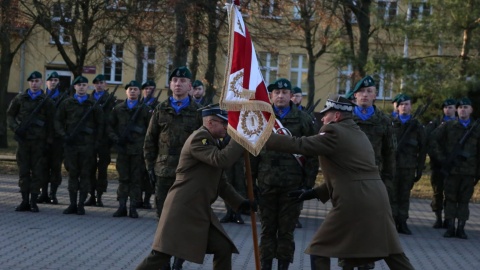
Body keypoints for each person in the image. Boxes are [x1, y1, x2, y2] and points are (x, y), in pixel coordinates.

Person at [266, 95, 415, 270]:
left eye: (326, 114)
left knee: (319, 249)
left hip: (354, 201)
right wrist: (313, 193)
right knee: (392, 253)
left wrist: (262, 137)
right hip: (376, 198)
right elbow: (349, 174)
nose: (322, 118)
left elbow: (300, 144)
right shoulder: (358, 133)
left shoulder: (334, 132)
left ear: (336, 116)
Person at [136, 105, 257, 270]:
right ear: (210, 122)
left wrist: (240, 203)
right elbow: (222, 160)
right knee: (161, 254)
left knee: (223, 248)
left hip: (198, 210)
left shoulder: (213, 141)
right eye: (223, 123)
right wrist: (240, 138)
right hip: (183, 209)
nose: (227, 127)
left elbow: (221, 181)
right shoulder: (199, 138)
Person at [251, 78, 318, 270]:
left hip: (293, 186)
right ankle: (265, 265)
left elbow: (312, 153)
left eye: (285, 93)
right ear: (271, 96)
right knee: (267, 230)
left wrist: (308, 185)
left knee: (286, 232)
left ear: (291, 95)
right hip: (266, 183)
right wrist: (252, 182)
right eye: (277, 93)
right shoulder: (261, 117)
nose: (280, 96)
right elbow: (253, 152)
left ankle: (283, 266)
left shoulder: (304, 119)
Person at [143, 66, 202, 269]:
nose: (178, 84)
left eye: (182, 81)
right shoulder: (160, 108)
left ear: (190, 86)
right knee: (163, 221)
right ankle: (164, 261)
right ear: (170, 84)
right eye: (175, 80)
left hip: (187, 175)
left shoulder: (197, 112)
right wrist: (150, 167)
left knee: (183, 220)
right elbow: (150, 140)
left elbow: (205, 143)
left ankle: (179, 260)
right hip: (163, 172)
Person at [429, 98, 480, 239]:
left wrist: (478, 171)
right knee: (450, 199)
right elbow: (432, 139)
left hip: (469, 171)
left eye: (465, 107)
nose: (462, 109)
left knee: (464, 201)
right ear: (456, 110)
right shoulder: (449, 126)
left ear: (471, 110)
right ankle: (450, 227)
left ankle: (461, 228)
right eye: (460, 107)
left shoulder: (476, 128)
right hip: (451, 170)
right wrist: (442, 158)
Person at [55, 75, 104, 215]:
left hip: (87, 146)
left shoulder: (93, 104)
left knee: (85, 175)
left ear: (87, 87)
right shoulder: (67, 103)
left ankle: (81, 204)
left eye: (84, 85)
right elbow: (58, 120)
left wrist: (96, 142)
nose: (81, 87)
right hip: (71, 145)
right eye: (79, 85)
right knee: (72, 174)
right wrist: (64, 136)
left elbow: (100, 124)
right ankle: (72, 204)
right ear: (74, 87)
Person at [7, 71, 55, 212]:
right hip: (23, 141)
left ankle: (34, 201)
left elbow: (52, 122)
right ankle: (24, 201)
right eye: (32, 81)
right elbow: (10, 115)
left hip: (39, 142)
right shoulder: (20, 98)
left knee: (37, 172)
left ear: (41, 82)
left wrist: (49, 141)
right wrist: (16, 128)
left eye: (37, 81)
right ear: (29, 82)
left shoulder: (47, 101)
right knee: (23, 171)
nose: (34, 84)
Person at [108, 80, 151, 218]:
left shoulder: (145, 109)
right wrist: (116, 139)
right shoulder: (118, 109)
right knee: (123, 179)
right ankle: (121, 206)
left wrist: (144, 143)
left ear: (139, 92)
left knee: (136, 180)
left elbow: (151, 130)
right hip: (123, 150)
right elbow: (109, 126)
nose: (132, 91)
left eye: (135, 89)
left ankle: (133, 207)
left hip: (138, 151)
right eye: (130, 89)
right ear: (126, 91)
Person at [391, 94, 427, 235]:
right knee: (392, 195)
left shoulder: (417, 126)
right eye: (402, 104)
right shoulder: (392, 123)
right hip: (393, 166)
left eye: (407, 104)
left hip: (409, 167)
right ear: (398, 107)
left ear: (411, 107)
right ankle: (392, 222)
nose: (404, 107)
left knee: (404, 195)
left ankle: (403, 221)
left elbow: (423, 149)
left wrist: (419, 169)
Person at [425, 98, 457, 228]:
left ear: (455, 108)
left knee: (451, 193)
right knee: (438, 192)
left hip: (454, 166)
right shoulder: (437, 122)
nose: (447, 110)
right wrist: (440, 158)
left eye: (450, 107)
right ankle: (438, 217)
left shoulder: (459, 123)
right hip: (438, 164)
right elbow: (429, 139)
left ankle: (449, 219)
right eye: (445, 107)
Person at [85, 74, 116, 207]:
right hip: (91, 139)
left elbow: (113, 119)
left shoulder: (111, 99)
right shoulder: (88, 99)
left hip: (104, 139)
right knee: (90, 167)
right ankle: (91, 194)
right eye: (96, 83)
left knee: (102, 169)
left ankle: (100, 195)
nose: (99, 85)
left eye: (101, 82)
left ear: (105, 85)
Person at [38, 71, 69, 205]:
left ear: (58, 82)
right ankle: (43, 193)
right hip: (42, 138)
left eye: (56, 80)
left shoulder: (65, 99)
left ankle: (53, 194)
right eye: (51, 80)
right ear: (46, 82)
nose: (53, 82)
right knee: (42, 166)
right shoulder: (40, 97)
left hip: (57, 139)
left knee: (55, 167)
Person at [137, 80, 159, 209]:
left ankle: (147, 199)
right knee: (138, 173)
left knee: (149, 173)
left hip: (152, 144)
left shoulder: (158, 105)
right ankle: (138, 198)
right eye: (146, 89)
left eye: (151, 88)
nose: (148, 91)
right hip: (138, 144)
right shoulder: (138, 104)